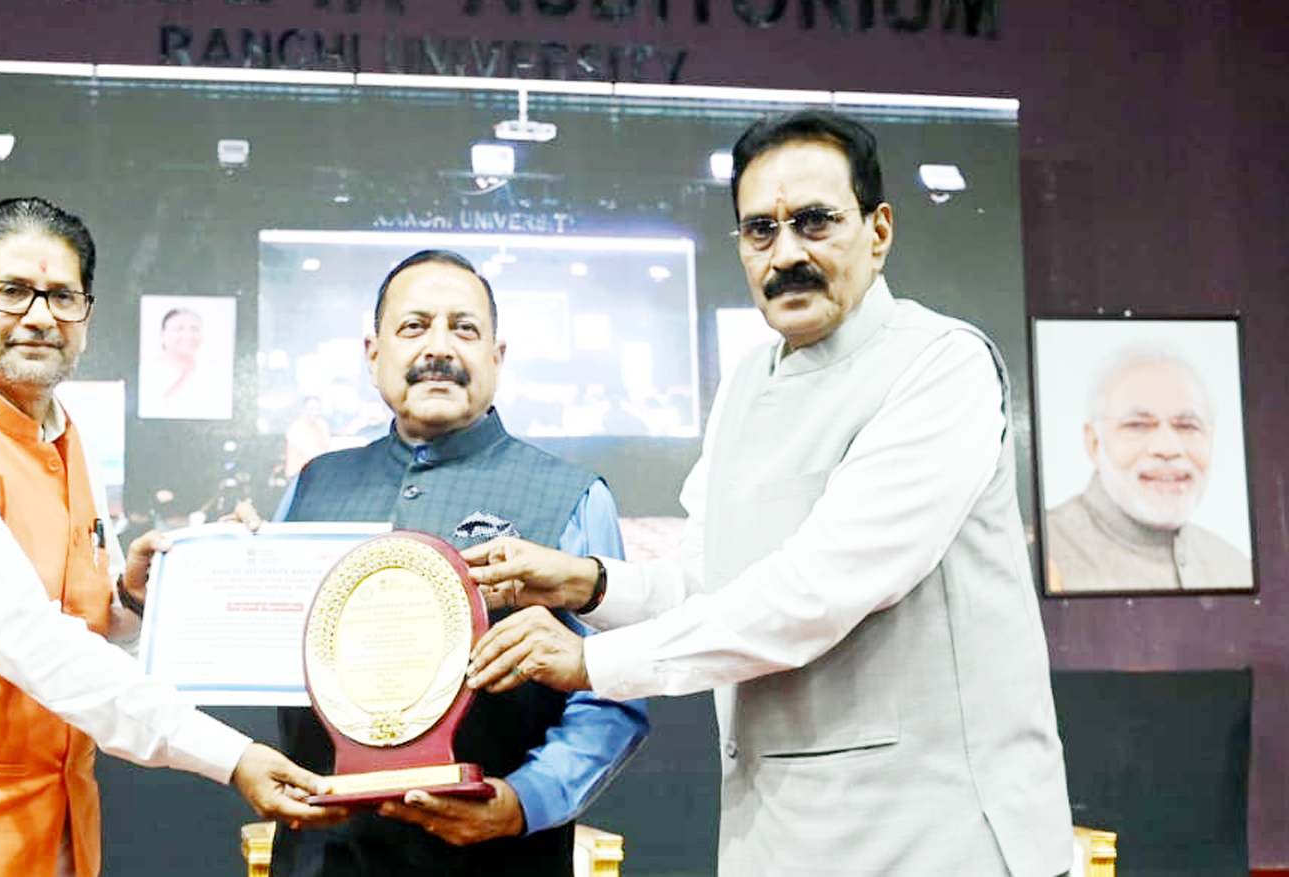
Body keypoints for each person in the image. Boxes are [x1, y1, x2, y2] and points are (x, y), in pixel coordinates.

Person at [463, 111, 1074, 877]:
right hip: (783, 834)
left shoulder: (943, 366)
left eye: (815, 221)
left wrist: (593, 662)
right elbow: (707, 579)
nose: (787, 254)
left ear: (878, 231)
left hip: (940, 836)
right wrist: (587, 582)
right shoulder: (747, 382)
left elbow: (817, 591)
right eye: (761, 230)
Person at [0, 197, 341, 877]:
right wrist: (232, 756)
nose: (40, 316)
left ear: (85, 317)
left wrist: (135, 597)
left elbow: (87, 626)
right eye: (13, 291)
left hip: (60, 827)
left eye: (63, 296)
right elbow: (34, 642)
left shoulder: (69, 441)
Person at [202, 250, 648, 877]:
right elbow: (273, 650)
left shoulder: (574, 496)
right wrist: (220, 572)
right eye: (413, 327)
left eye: (464, 329)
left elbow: (613, 696)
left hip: (500, 860)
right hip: (322, 857)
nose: (438, 347)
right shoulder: (312, 486)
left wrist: (523, 801)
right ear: (373, 354)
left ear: (497, 356)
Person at [1044, 343, 1251, 592]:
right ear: (1093, 442)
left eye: (1187, 426)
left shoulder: (1236, 569)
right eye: (1138, 425)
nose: (1168, 448)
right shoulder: (1043, 553)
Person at [140, 304, 230, 419]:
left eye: (195, 330)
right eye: (179, 329)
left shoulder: (219, 377)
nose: (188, 336)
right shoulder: (144, 375)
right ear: (162, 335)